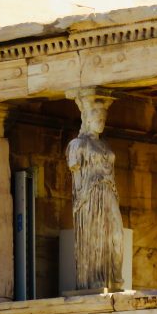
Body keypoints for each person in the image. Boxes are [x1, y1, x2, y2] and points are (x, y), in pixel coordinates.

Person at [67, 91, 123, 291]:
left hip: (108, 193)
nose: (101, 121)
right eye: (96, 117)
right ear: (86, 119)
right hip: (90, 197)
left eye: (103, 118)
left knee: (117, 236)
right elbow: (76, 174)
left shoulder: (104, 144)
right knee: (97, 236)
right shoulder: (77, 145)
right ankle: (94, 279)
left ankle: (114, 278)